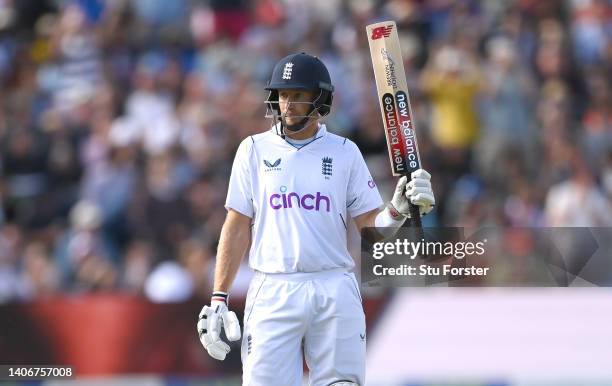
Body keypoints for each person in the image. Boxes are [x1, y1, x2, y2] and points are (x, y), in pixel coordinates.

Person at [196, 53, 435, 386]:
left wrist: (398, 209)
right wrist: (218, 297)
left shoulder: (344, 152)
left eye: (298, 95)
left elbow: (372, 234)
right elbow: (236, 226)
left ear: (319, 98)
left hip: (333, 285)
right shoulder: (253, 150)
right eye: (282, 95)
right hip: (273, 287)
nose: (288, 104)